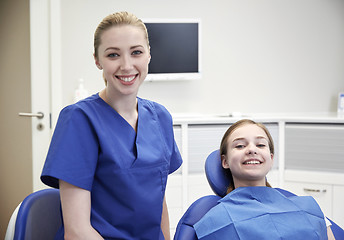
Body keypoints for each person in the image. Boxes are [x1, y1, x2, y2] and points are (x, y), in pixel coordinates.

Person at [41, 11, 182, 240]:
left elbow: (159, 206)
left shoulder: (160, 117)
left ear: (148, 55)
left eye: (136, 52)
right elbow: (77, 231)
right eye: (113, 55)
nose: (126, 66)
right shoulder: (79, 120)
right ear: (97, 60)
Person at [194, 119, 335, 240]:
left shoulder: (308, 208)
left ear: (271, 158)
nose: (251, 150)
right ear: (225, 161)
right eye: (240, 146)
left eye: (260, 145)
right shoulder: (215, 221)